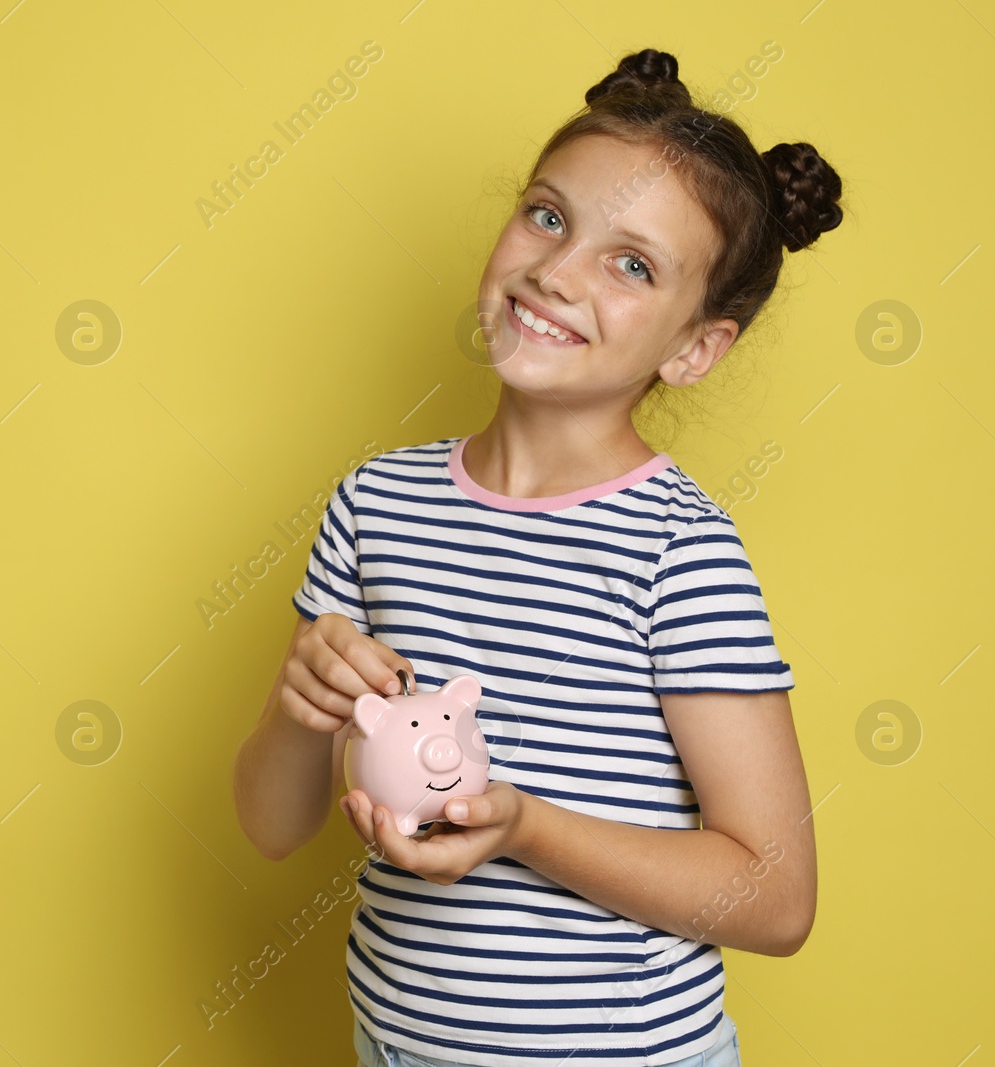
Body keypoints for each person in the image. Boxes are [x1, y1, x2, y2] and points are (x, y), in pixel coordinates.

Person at [232, 47, 842, 1067]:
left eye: (632, 262)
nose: (555, 272)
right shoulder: (374, 502)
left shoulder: (677, 552)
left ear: (694, 348)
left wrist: (520, 825)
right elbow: (270, 823)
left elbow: (773, 896)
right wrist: (302, 706)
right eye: (548, 216)